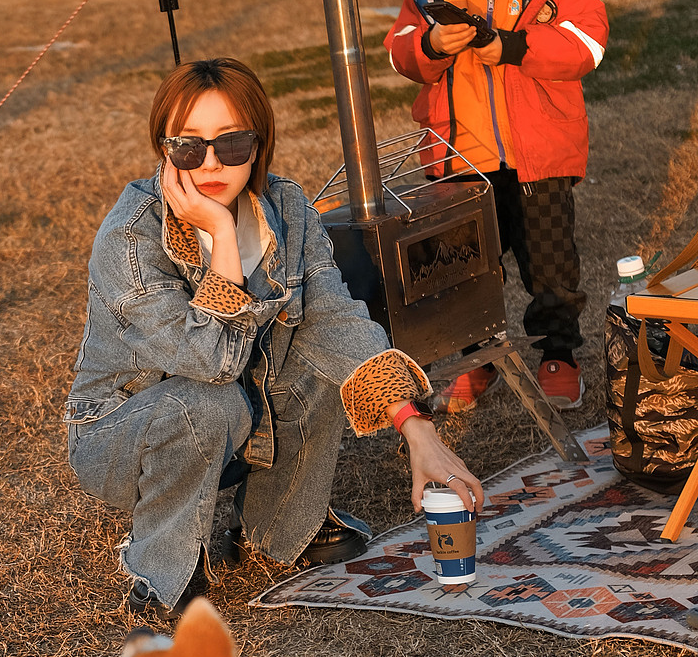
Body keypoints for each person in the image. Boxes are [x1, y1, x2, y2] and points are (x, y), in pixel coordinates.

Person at [64, 57, 485, 617]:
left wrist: (416, 427)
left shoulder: (285, 207)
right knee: (206, 403)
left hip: (240, 408)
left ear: (258, 144)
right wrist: (219, 234)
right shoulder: (130, 236)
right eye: (189, 147)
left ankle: (277, 526)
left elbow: (333, 318)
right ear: (163, 150)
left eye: (231, 144)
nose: (211, 163)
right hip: (123, 432)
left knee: (320, 362)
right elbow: (210, 360)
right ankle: (162, 565)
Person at [385, 0, 609, 414]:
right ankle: (475, 356)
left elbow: (586, 46)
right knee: (465, 270)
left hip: (540, 153)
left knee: (552, 264)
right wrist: (433, 43)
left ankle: (558, 354)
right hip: (462, 154)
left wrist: (511, 46)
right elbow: (400, 54)